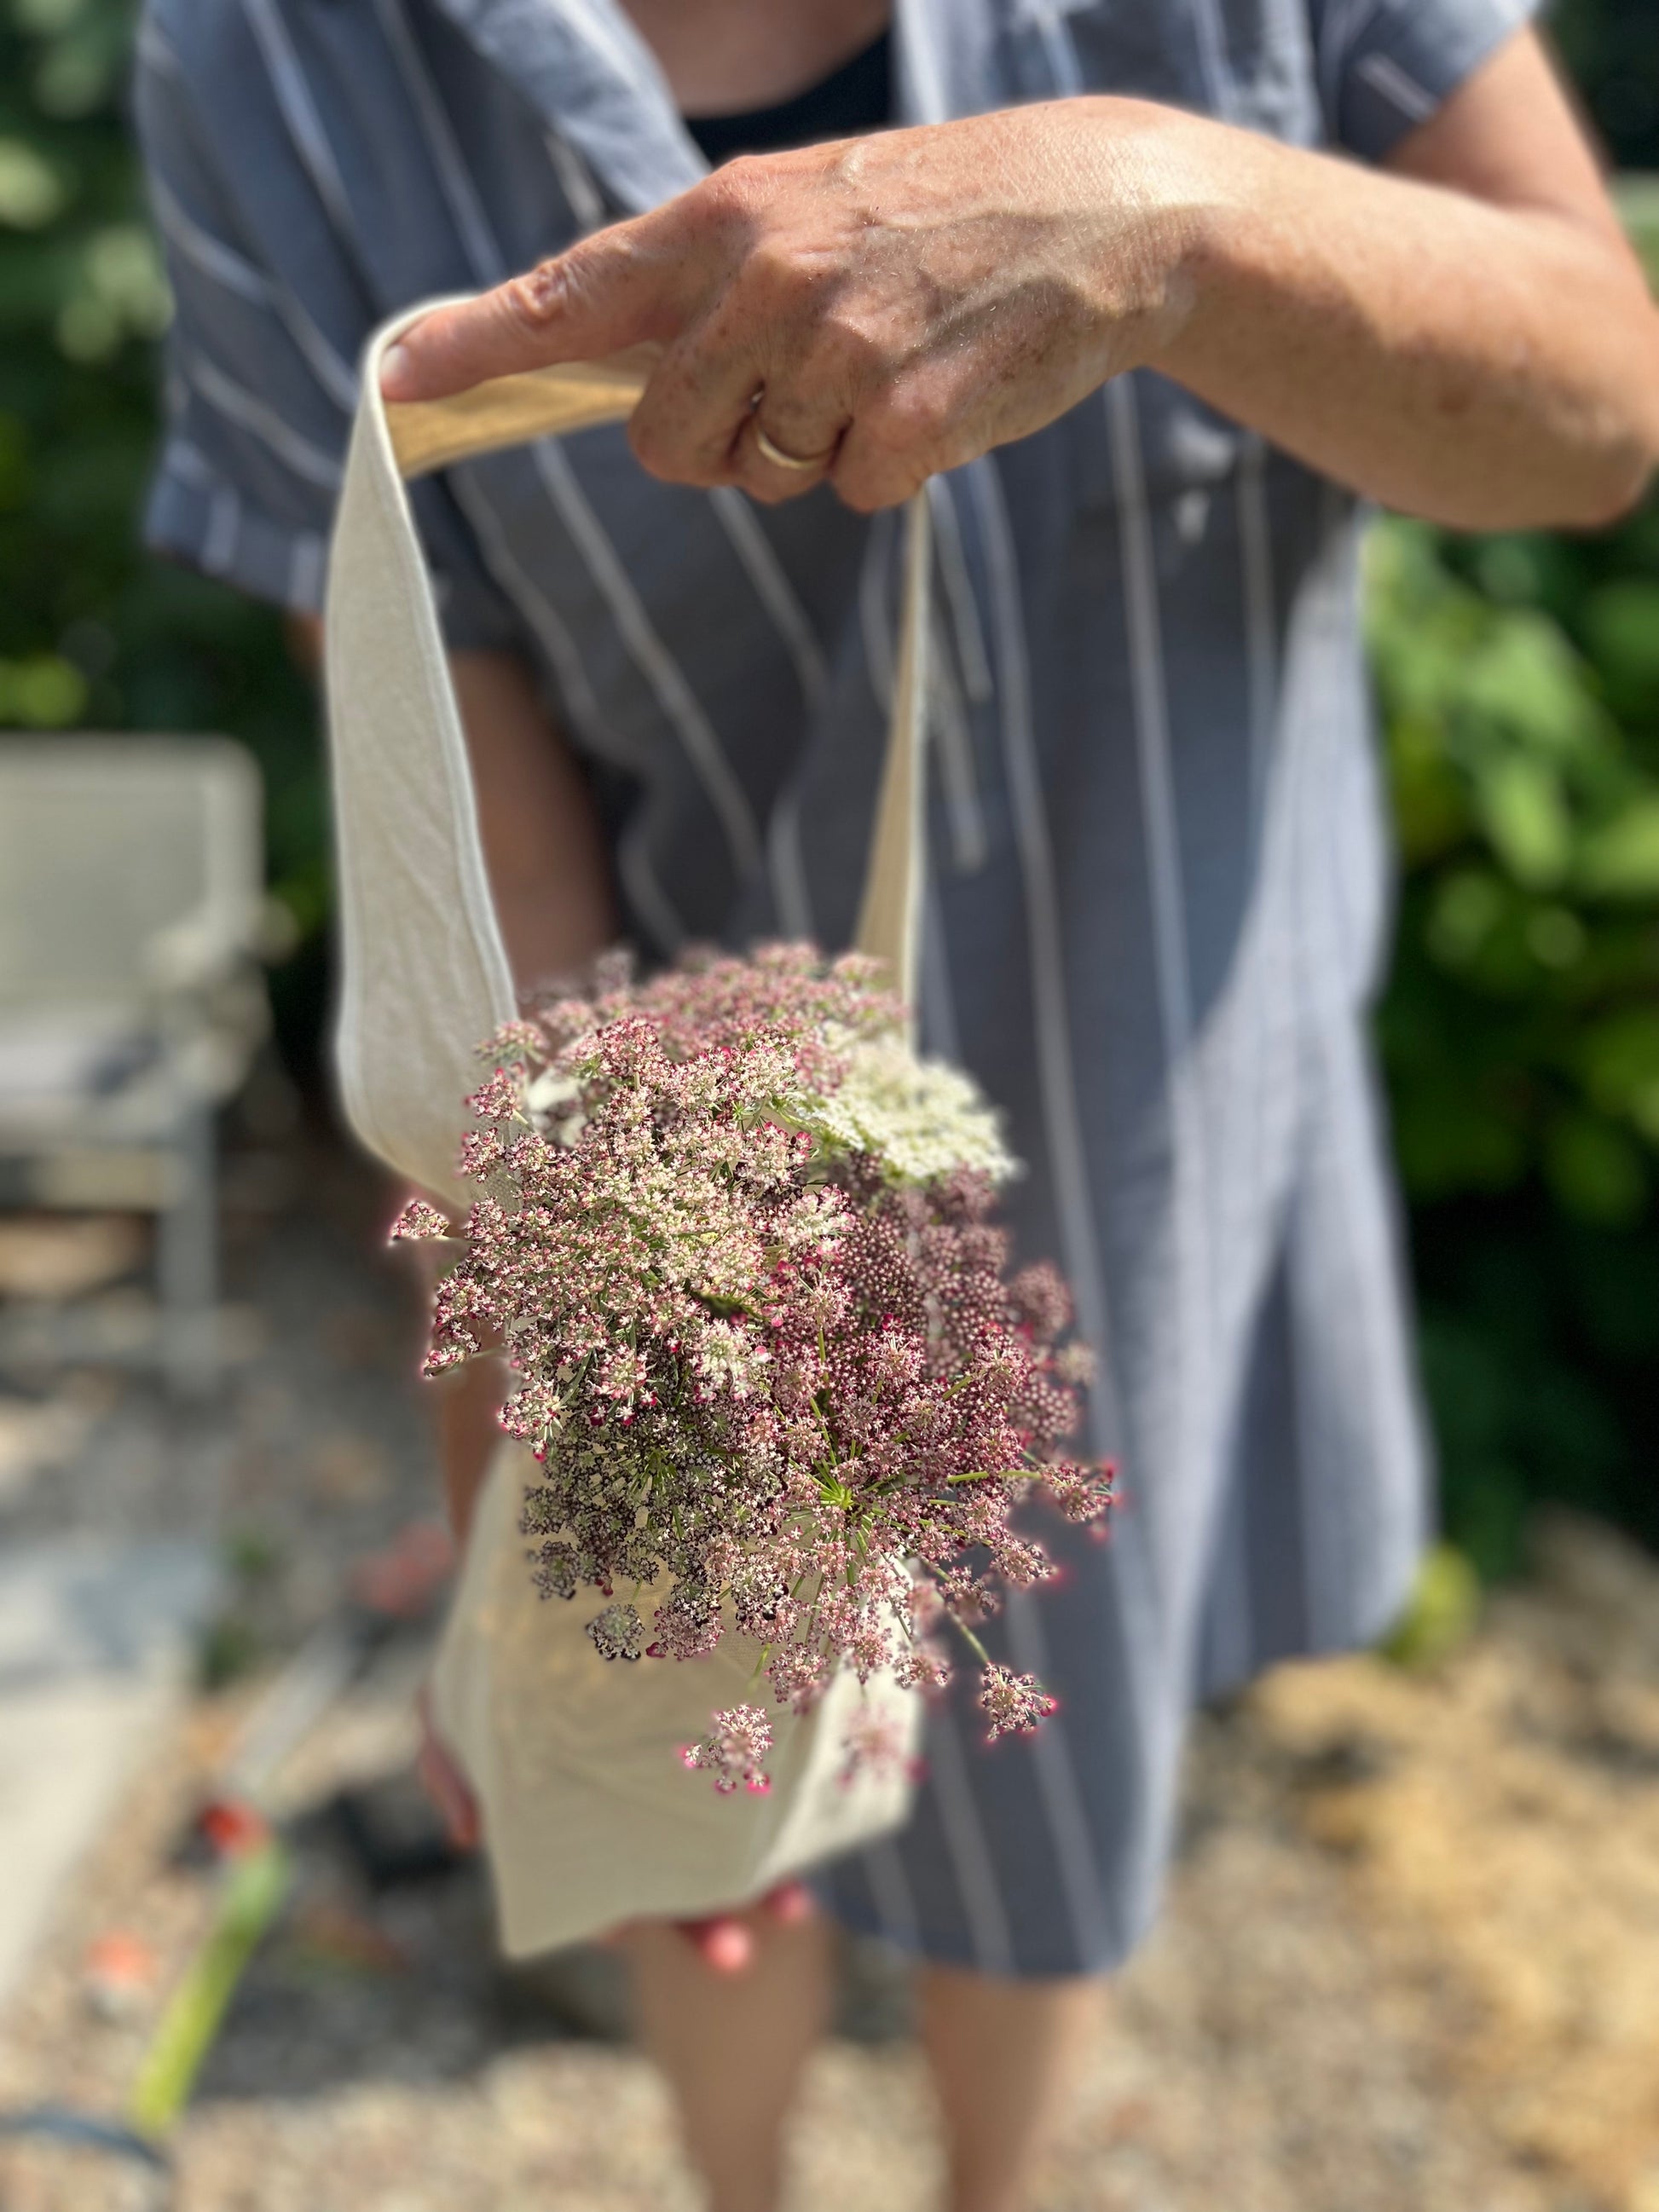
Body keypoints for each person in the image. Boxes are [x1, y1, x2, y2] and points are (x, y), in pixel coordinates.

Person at [132, 2, 1659, 2206]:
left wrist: (1174, 213)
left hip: (1151, 1022)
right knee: (691, 1762)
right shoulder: (274, 52)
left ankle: (989, 2182)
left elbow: (1597, 395)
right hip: (678, 1090)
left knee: (1057, 1728)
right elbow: (431, 689)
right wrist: (551, 1271)